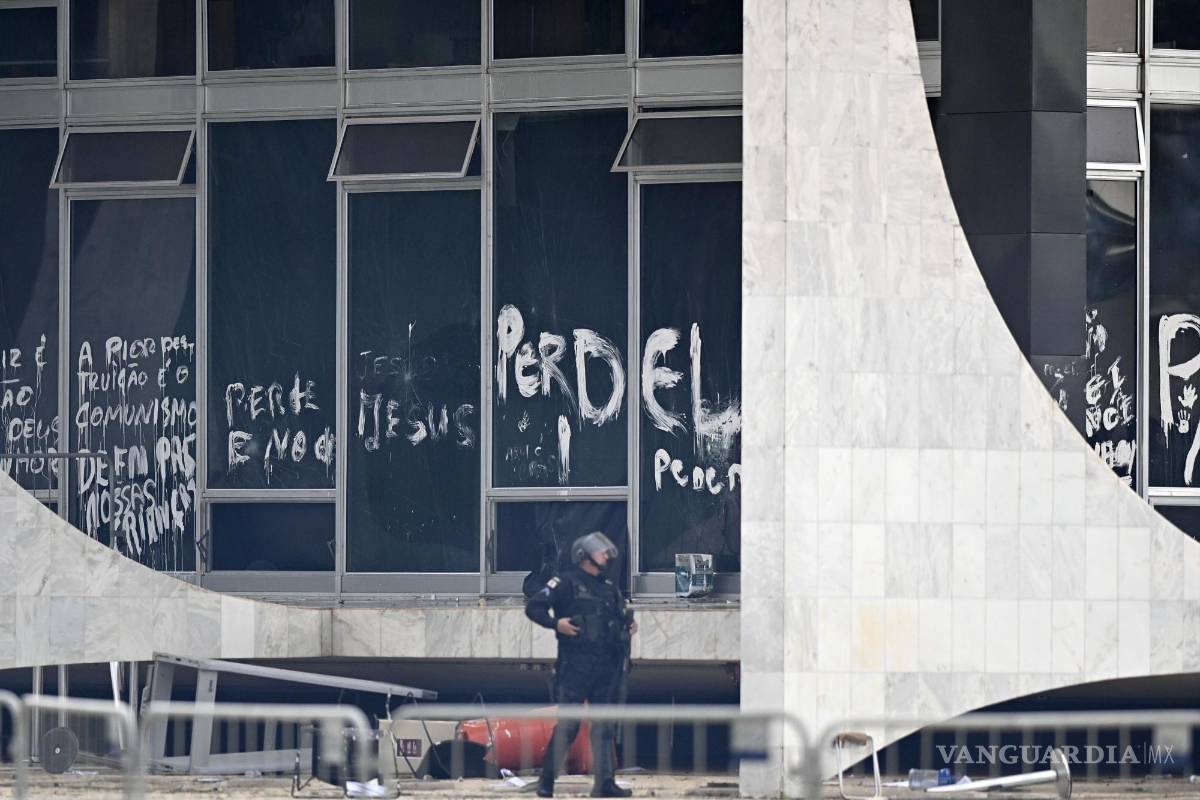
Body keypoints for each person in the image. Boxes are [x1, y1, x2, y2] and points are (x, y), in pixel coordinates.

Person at [525, 531, 636, 798]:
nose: (606, 555)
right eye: (600, 551)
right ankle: (546, 782)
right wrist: (556, 624)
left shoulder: (608, 587)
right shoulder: (565, 582)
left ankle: (605, 783)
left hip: (606, 667)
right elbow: (534, 607)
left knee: (604, 726)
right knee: (569, 725)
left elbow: (616, 620)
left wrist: (628, 626)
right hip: (574, 667)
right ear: (585, 556)